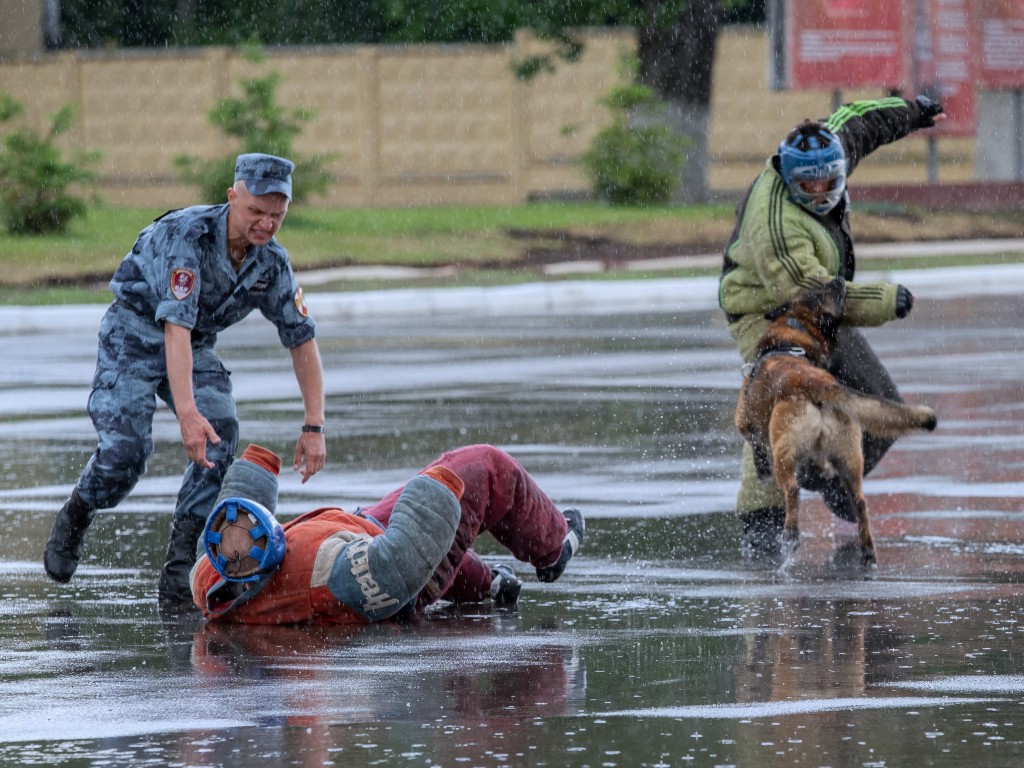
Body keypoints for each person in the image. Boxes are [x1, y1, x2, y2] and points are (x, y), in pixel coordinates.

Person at [43, 153, 327, 605]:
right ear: (233, 197)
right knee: (126, 454)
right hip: (134, 335)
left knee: (220, 432)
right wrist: (187, 413)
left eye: (277, 215)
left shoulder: (272, 263)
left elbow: (301, 338)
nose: (266, 225)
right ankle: (78, 512)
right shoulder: (187, 236)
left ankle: (179, 564)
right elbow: (173, 326)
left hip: (193, 342)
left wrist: (314, 425)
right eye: (256, 211)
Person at [718, 95, 946, 556]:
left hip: (824, 310)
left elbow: (858, 121)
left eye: (829, 181)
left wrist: (912, 111)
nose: (821, 192)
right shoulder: (776, 223)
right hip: (768, 308)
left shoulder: (829, 146)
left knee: (879, 404)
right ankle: (762, 520)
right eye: (809, 184)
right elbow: (810, 290)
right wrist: (886, 300)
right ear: (789, 175)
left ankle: (839, 485)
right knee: (777, 393)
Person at [190, 443, 585, 623]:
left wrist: (254, 469)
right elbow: (396, 568)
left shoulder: (212, 575)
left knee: (423, 532)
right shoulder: (317, 571)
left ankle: (490, 584)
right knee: (484, 467)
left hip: (362, 530)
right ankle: (554, 547)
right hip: (394, 578)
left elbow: (222, 535)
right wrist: (437, 490)